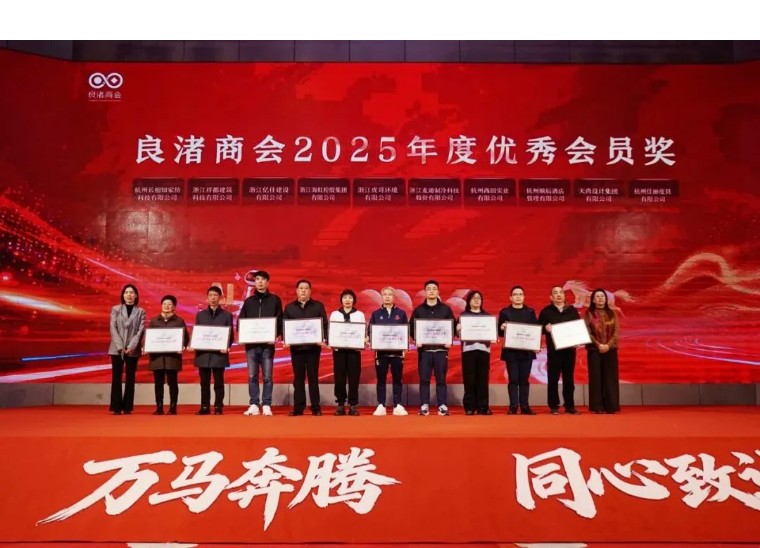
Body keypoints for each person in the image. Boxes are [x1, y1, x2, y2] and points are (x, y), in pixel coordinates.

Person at [238, 270, 283, 417]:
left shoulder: (275, 300)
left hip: (267, 345)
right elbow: (241, 321)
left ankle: (267, 404)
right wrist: (242, 336)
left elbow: (280, 319)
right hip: (251, 345)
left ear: (267, 282)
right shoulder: (248, 301)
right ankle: (254, 404)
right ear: (255, 282)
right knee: (252, 375)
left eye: (263, 279)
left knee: (267, 376)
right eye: (257, 279)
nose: (260, 282)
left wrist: (275, 335)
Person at [282, 279, 328, 416]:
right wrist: (286, 339)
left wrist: (323, 339)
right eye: (301, 288)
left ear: (310, 291)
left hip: (313, 349)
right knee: (298, 379)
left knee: (313, 378)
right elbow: (285, 325)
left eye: (306, 288)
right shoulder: (289, 307)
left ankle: (316, 408)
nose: (303, 290)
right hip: (297, 349)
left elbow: (324, 325)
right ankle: (298, 408)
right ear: (296, 291)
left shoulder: (318, 306)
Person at [410, 280, 456, 416]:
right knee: (424, 379)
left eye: (434, 288)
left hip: (441, 350)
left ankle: (442, 405)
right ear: (425, 292)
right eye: (428, 289)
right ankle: (424, 405)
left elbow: (452, 326)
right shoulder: (418, 310)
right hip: (425, 351)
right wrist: (416, 339)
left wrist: (449, 339)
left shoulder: (446, 309)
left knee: (441, 379)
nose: (431, 291)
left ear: (438, 291)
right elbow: (411, 328)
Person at [538, 285, 581, 415]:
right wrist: (545, 328)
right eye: (555, 293)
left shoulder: (572, 311)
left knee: (569, 379)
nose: (558, 295)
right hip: (554, 351)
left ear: (564, 295)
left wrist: (578, 340)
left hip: (569, 351)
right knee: (553, 378)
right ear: (551, 297)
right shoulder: (546, 312)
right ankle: (553, 405)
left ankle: (569, 405)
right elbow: (537, 329)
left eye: (561, 292)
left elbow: (577, 329)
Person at [368, 286, 409, 416]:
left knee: (397, 379)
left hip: (397, 353)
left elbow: (405, 332)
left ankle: (397, 405)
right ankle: (381, 405)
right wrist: (369, 339)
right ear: (381, 297)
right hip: (381, 353)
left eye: (390, 294)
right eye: (384, 294)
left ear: (394, 297)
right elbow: (370, 332)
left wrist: (404, 344)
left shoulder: (401, 313)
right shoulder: (376, 314)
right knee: (381, 379)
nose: (387, 297)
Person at [498, 285, 539, 415]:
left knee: (524, 380)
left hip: (527, 352)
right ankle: (513, 406)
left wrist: (536, 345)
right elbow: (499, 332)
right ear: (510, 297)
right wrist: (502, 327)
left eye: (520, 294)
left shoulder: (530, 312)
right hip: (511, 352)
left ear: (524, 297)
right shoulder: (505, 312)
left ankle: (525, 406)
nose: (518, 297)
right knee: (513, 379)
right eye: (515, 294)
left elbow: (535, 330)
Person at [192, 286, 233, 415]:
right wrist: (194, 344)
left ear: (220, 298)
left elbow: (230, 334)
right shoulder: (200, 315)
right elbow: (197, 333)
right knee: (204, 383)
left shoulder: (227, 315)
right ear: (207, 298)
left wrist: (226, 345)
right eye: (210, 295)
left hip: (219, 354)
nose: (213, 298)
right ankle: (204, 406)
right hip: (203, 354)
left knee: (218, 382)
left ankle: (218, 406)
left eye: (215, 295)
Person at [147, 295, 189, 415]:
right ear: (161, 305)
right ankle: (159, 407)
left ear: (174, 307)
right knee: (158, 383)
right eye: (164, 304)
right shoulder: (154, 321)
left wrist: (182, 346)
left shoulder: (179, 321)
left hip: (172, 357)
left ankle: (173, 407)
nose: (166, 306)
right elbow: (149, 337)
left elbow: (185, 338)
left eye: (169, 304)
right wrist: (147, 346)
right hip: (157, 358)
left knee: (172, 383)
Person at [108, 284, 146, 415]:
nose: (129, 295)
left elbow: (140, 331)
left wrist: (131, 347)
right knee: (116, 377)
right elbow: (113, 328)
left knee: (130, 377)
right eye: (126, 292)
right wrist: (120, 347)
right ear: (123, 295)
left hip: (133, 349)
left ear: (136, 296)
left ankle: (128, 407)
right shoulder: (115, 309)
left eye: (131, 292)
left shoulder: (140, 311)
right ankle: (116, 407)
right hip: (116, 349)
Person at [329, 289, 365, 416]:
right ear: (341, 300)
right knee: (339, 377)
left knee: (354, 378)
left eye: (350, 297)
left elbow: (363, 331)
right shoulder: (335, 314)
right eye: (345, 297)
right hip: (339, 351)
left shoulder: (359, 314)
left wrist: (363, 339)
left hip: (354, 351)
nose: (347, 300)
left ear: (354, 300)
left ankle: (353, 405)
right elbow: (331, 331)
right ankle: (340, 404)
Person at [585, 288, 621, 414]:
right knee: (596, 379)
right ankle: (597, 407)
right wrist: (598, 344)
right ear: (593, 300)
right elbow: (587, 332)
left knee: (610, 378)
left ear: (606, 299)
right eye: (597, 296)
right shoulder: (589, 314)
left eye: (602, 296)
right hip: (594, 350)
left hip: (610, 350)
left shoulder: (612, 313)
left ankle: (611, 406)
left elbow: (616, 331)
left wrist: (608, 345)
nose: (600, 298)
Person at [457, 290, 493, 415]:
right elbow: (458, 334)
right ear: (469, 301)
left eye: (479, 298)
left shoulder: (487, 317)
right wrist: (458, 329)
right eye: (473, 298)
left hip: (484, 350)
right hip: (468, 350)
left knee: (483, 378)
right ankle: (470, 406)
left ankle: (483, 406)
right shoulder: (463, 316)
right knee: (469, 378)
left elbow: (491, 333)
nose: (476, 300)